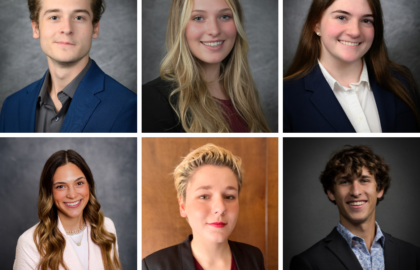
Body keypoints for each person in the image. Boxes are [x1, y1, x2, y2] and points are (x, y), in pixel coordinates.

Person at [283, 0, 420, 132]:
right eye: (342, 17)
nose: (355, 32)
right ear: (316, 24)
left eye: (366, 20)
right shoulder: (287, 95)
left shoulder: (402, 79)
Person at [0, 0, 137, 133]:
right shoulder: (12, 106)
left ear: (95, 28)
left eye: (78, 17)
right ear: (36, 28)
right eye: (54, 17)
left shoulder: (127, 105)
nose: (67, 29)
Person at [142, 0, 270, 133]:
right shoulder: (152, 99)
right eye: (198, 18)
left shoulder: (246, 93)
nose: (214, 30)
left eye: (225, 16)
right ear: (180, 26)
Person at [290, 145, 420, 269]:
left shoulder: (414, 256)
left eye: (364, 180)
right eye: (345, 181)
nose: (356, 192)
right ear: (331, 192)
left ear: (380, 189)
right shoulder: (309, 262)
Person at [142, 144, 265, 269]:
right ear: (183, 206)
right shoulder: (154, 266)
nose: (220, 208)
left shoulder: (254, 258)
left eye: (229, 196)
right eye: (204, 196)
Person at [13, 150, 122, 270]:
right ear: (49, 192)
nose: (72, 194)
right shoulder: (30, 243)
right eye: (61, 186)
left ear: (89, 185)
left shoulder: (106, 227)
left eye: (79, 183)